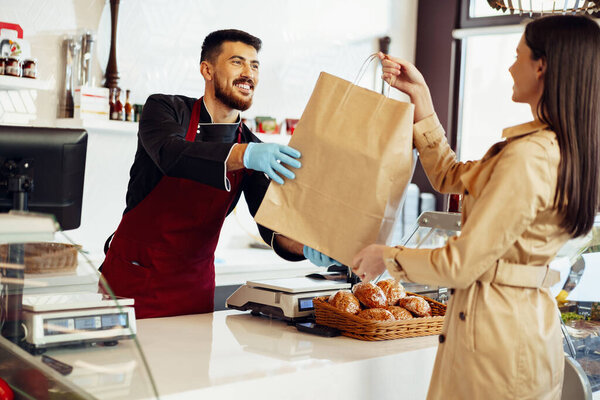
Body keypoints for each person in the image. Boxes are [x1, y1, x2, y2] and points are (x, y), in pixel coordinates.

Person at [352, 15, 600, 399]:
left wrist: (387, 256)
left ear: (542, 65)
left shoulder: (530, 156)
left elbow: (461, 262)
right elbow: (451, 175)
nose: (510, 66)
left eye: (518, 56)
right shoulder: (554, 148)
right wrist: (422, 100)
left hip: (499, 339)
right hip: (515, 328)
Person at [101, 29, 319, 319]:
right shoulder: (165, 109)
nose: (248, 73)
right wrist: (243, 156)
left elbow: (270, 224)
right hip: (133, 281)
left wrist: (307, 247)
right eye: (237, 62)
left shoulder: (252, 146)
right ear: (207, 69)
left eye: (255, 66)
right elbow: (171, 153)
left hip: (194, 289)